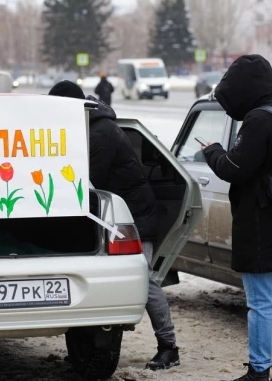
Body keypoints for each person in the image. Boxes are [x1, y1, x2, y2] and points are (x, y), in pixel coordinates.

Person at [48, 80, 180, 371]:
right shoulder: (87, 127)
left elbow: (84, 180)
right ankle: (84, 345)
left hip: (135, 217)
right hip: (114, 215)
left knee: (144, 281)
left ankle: (169, 347)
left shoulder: (100, 132)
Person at [202, 55, 272, 381]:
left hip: (262, 225)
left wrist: (213, 151)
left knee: (261, 302)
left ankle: (258, 371)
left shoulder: (260, 120)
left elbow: (235, 168)